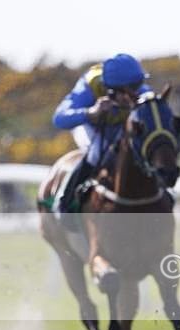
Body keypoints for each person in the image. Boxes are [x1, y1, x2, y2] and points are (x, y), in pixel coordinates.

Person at [52, 53, 153, 216]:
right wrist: (90, 113)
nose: (139, 91)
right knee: (97, 152)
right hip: (91, 127)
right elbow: (59, 118)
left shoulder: (141, 90)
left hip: (121, 127)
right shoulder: (89, 86)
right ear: (113, 91)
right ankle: (65, 201)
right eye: (133, 88)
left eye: (139, 85)